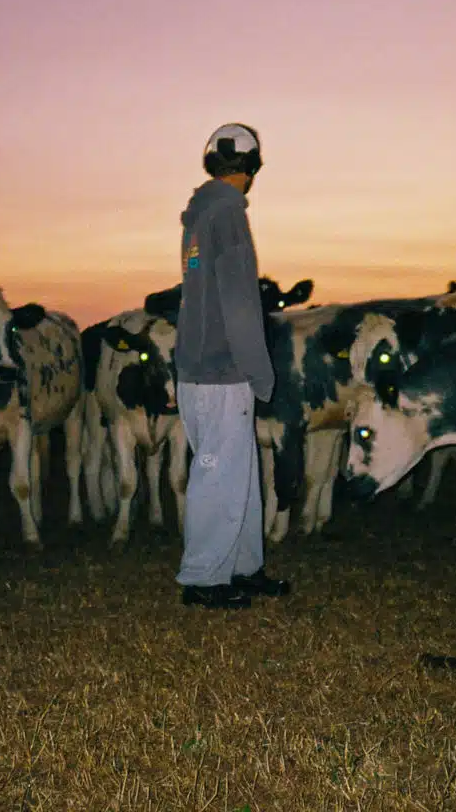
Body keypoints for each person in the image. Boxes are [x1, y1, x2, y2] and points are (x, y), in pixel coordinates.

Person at [173, 122, 291, 610]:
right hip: (223, 372)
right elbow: (241, 300)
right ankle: (204, 577)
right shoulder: (228, 215)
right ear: (252, 167)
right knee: (220, 473)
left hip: (196, 368)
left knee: (236, 472)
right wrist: (260, 371)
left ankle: (243, 566)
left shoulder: (199, 216)